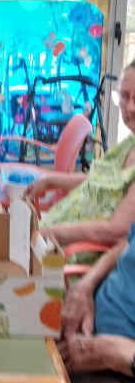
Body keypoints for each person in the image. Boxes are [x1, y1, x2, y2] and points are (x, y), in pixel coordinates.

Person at [25, 60, 135, 249]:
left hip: (70, 250)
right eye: (124, 96)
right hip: (53, 232)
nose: (131, 107)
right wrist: (50, 181)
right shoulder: (130, 142)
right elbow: (101, 181)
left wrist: (48, 234)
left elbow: (116, 230)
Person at [58, 231, 135, 383]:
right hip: (84, 336)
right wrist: (85, 285)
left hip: (122, 380)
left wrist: (123, 355)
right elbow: (127, 244)